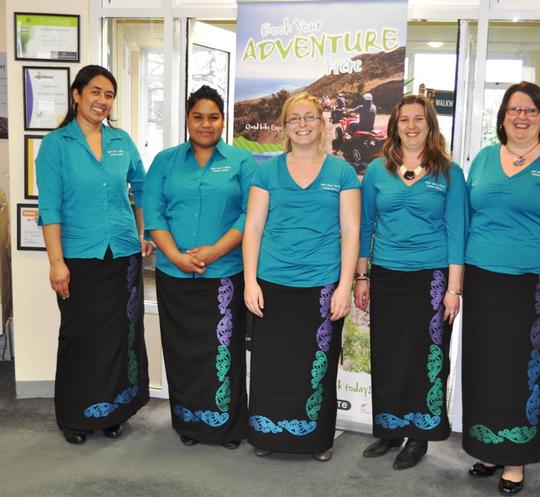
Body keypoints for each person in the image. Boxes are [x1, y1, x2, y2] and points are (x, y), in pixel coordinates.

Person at [462, 81, 540, 495]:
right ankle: (487, 449)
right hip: (483, 278)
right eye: (514, 110)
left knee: (524, 373)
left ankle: (515, 458)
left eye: (531, 111)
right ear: (502, 116)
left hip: (535, 285)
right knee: (485, 368)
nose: (521, 117)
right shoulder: (483, 159)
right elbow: (468, 217)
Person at [36, 65, 152, 445]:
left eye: (109, 95)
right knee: (80, 336)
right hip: (79, 257)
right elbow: (49, 209)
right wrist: (56, 262)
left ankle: (114, 410)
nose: (102, 101)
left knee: (121, 335)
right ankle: (75, 416)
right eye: (96, 92)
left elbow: (142, 186)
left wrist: (143, 231)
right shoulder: (56, 144)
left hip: (123, 254)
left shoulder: (121, 140)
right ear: (77, 94)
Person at [243, 91, 360, 461]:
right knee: (272, 363)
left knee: (317, 366)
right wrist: (249, 281)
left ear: (322, 122)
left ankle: (315, 440)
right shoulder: (267, 171)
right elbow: (253, 230)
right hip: (273, 283)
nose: (303, 124)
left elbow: (352, 233)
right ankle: (269, 435)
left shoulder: (341, 172)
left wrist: (345, 286)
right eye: (294, 118)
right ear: (285, 126)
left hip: (322, 285)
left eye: (310, 117)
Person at [355, 94, 468, 469]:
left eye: (419, 119)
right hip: (387, 274)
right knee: (388, 354)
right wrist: (361, 275)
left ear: (430, 125)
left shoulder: (449, 173)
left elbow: (457, 233)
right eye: (404, 120)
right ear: (395, 125)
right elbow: (365, 226)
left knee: (426, 358)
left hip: (431, 278)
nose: (411, 126)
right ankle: (389, 429)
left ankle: (419, 435)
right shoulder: (376, 171)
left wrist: (453, 290)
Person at [143, 85, 256, 449]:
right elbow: (154, 213)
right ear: (188, 119)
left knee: (223, 351)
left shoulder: (242, 161)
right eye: (198, 117)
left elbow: (250, 215)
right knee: (183, 351)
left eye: (213, 117)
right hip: (174, 273)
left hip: (224, 273)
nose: (206, 124)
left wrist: (214, 252)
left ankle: (226, 426)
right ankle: (189, 422)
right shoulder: (165, 161)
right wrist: (176, 256)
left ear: (223, 120)